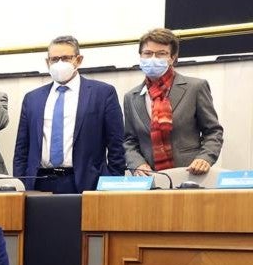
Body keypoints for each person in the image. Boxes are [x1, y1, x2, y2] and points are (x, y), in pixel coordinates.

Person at [13, 35, 125, 194]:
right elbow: (21, 149)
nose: (59, 63)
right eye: (54, 59)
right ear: (47, 62)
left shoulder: (102, 93)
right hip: (39, 183)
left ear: (78, 60)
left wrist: (113, 182)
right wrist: (21, 183)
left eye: (66, 58)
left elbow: (116, 145)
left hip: (87, 183)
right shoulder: (32, 98)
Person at [123, 28, 224, 176]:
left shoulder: (195, 88)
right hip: (150, 178)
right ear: (141, 56)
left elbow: (213, 131)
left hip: (189, 175)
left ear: (172, 57)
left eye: (161, 53)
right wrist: (137, 163)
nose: (153, 58)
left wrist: (205, 158)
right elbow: (129, 141)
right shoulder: (131, 97)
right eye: (148, 53)